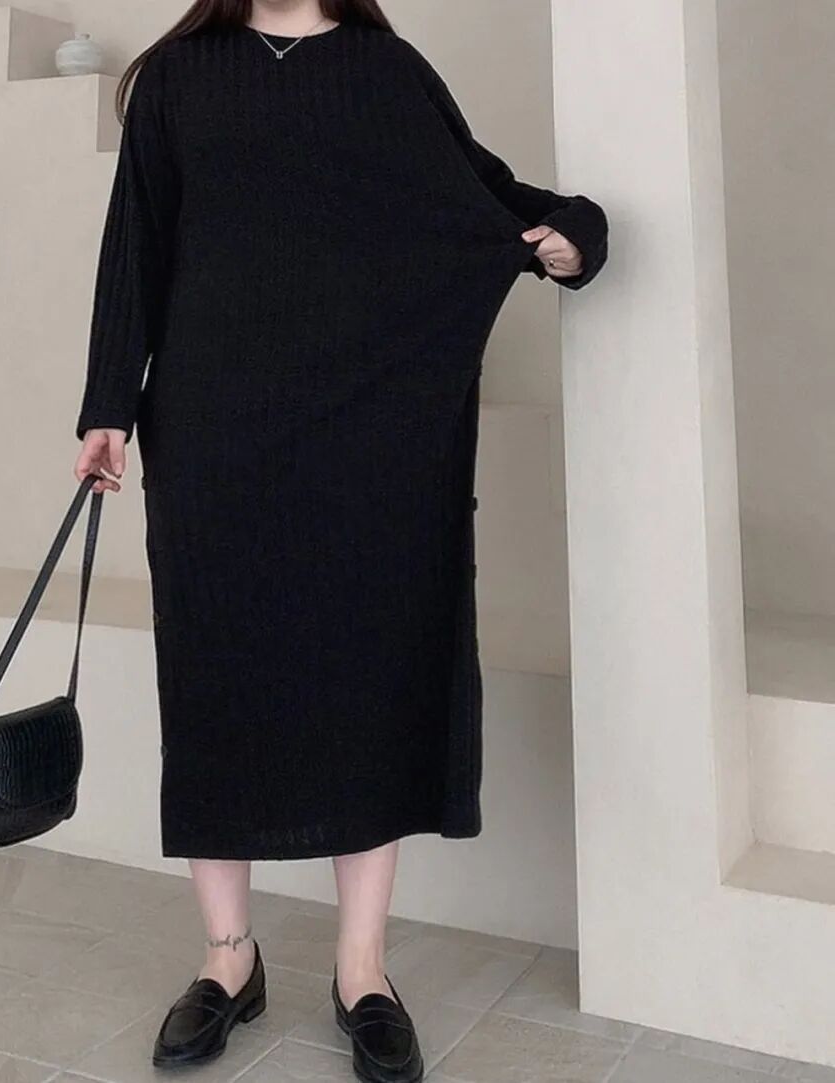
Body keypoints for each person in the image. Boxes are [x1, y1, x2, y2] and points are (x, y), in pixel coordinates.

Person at [73, 1, 609, 1078]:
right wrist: (107, 406)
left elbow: (477, 195)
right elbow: (137, 241)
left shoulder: (385, 69)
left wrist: (575, 230)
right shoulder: (178, 77)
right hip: (215, 428)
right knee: (217, 677)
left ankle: (363, 970)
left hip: (369, 433)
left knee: (367, 677)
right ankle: (228, 958)